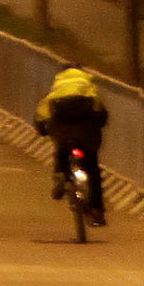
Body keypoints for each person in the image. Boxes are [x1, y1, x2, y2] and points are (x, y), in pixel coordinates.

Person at [36, 65, 111, 214]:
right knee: (92, 167)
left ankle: (61, 175)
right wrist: (100, 123)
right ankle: (97, 209)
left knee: (62, 149)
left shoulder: (58, 85)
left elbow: (43, 112)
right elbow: (100, 110)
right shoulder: (88, 84)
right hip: (85, 131)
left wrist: (41, 128)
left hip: (62, 129)